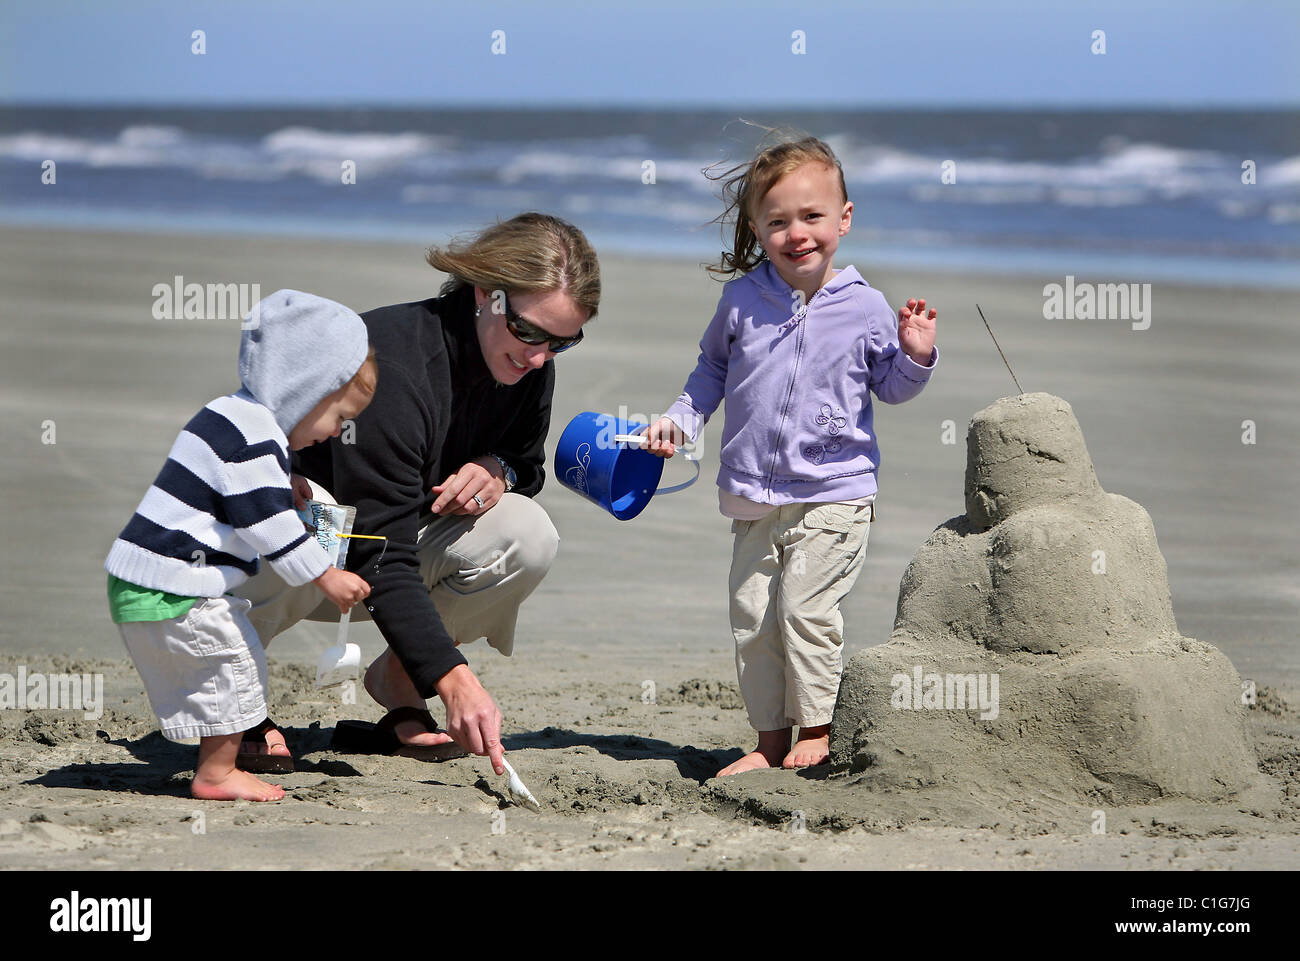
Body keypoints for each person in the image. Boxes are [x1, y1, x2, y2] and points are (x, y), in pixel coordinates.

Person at [233, 212, 599, 777]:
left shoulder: (529, 361)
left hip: (382, 541)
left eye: (563, 340)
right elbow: (380, 552)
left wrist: (497, 468)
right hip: (284, 543)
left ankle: (398, 679)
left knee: (527, 533)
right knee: (310, 516)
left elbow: (528, 463)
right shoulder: (394, 363)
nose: (538, 357)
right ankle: (232, 699)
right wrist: (453, 679)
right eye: (529, 332)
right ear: (485, 294)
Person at [643, 135, 939, 777]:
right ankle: (769, 738)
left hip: (835, 492)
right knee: (754, 622)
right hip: (752, 497)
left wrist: (914, 354)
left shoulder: (864, 305)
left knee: (805, 611)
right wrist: (678, 423)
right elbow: (710, 373)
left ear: (844, 219)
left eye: (811, 217)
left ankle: (818, 729)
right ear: (757, 228)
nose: (796, 233)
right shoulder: (742, 301)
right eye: (778, 221)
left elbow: (891, 387)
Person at [105, 290, 376, 801]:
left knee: (215, 667)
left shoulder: (232, 415)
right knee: (235, 663)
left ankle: (216, 759)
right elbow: (267, 523)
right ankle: (216, 773)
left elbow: (236, 490)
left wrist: (286, 479)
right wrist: (325, 574)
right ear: (304, 388)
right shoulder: (256, 437)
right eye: (339, 415)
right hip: (175, 585)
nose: (339, 431)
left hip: (143, 581)